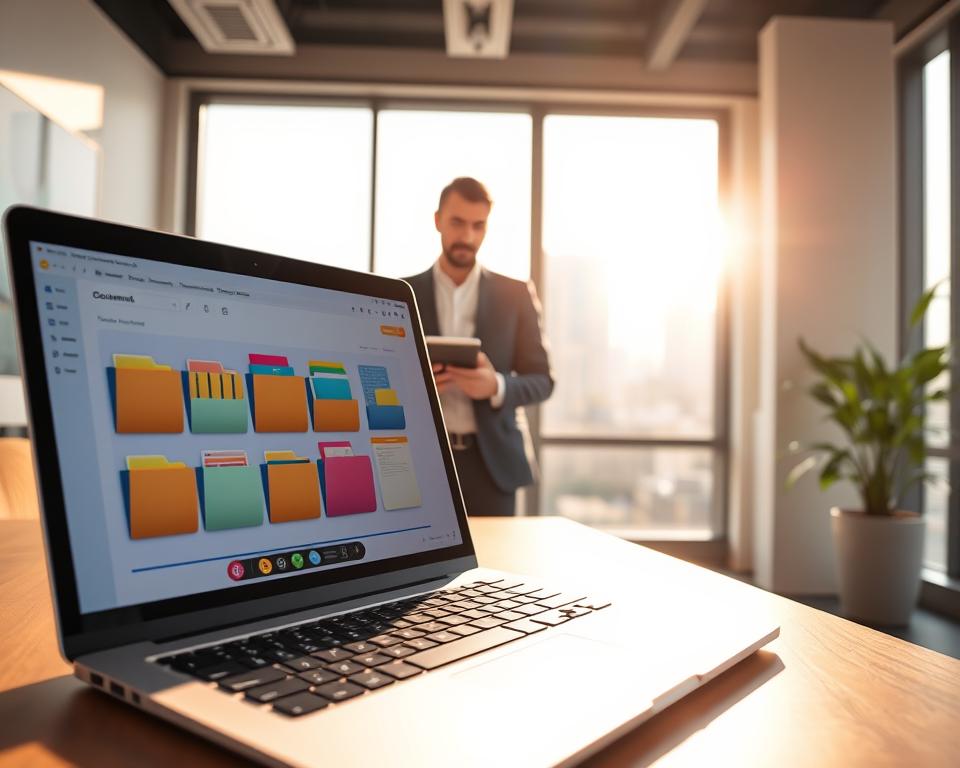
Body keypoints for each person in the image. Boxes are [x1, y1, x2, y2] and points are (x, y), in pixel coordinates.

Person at [405, 177, 553, 516]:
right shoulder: (401, 292)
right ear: (438, 220)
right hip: (422, 462)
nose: (468, 237)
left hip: (493, 467)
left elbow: (544, 379)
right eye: (457, 223)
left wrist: (496, 385)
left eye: (478, 225)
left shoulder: (515, 295)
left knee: (497, 564)